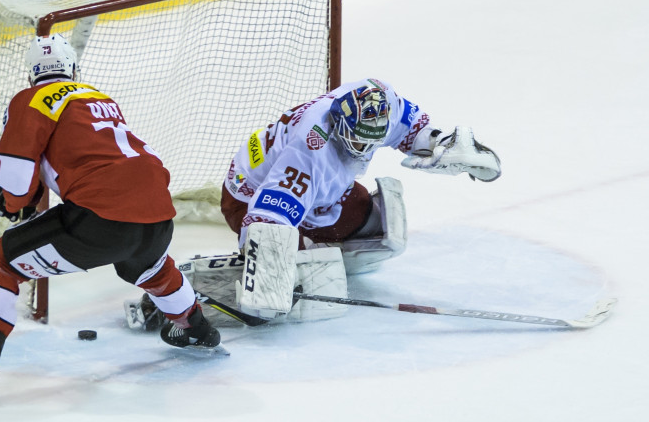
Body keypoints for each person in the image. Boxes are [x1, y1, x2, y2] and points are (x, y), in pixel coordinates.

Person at [0, 34, 223, 407]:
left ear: (33, 73)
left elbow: (17, 180)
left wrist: (10, 201)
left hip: (100, 218)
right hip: (160, 214)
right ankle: (197, 329)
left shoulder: (31, 98)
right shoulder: (99, 98)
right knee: (149, 268)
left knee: (2, 260)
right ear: (71, 69)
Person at [126, 77, 500, 328]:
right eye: (355, 139)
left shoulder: (375, 100)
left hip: (320, 193)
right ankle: (176, 301)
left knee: (381, 226)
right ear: (339, 119)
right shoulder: (309, 153)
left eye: (371, 141)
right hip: (248, 198)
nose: (362, 149)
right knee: (276, 289)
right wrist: (275, 271)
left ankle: (319, 251)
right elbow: (265, 222)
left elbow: (414, 128)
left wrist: (444, 147)